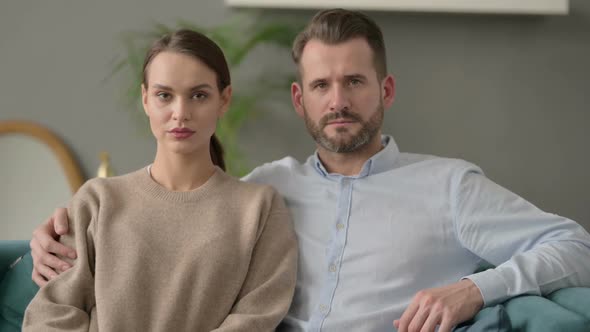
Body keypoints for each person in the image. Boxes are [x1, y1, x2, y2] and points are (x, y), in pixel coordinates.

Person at [30, 9, 590, 332]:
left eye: (354, 82)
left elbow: (573, 246)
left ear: (385, 90)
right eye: (322, 85)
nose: (337, 100)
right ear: (300, 100)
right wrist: (56, 231)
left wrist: (473, 288)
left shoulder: (448, 187)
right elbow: (170, 216)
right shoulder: (266, 190)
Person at [23, 29, 298, 332]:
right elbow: (50, 316)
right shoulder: (98, 200)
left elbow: (255, 319)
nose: (180, 113)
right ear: (145, 99)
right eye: (164, 96)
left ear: (224, 99)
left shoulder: (260, 208)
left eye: (199, 95)